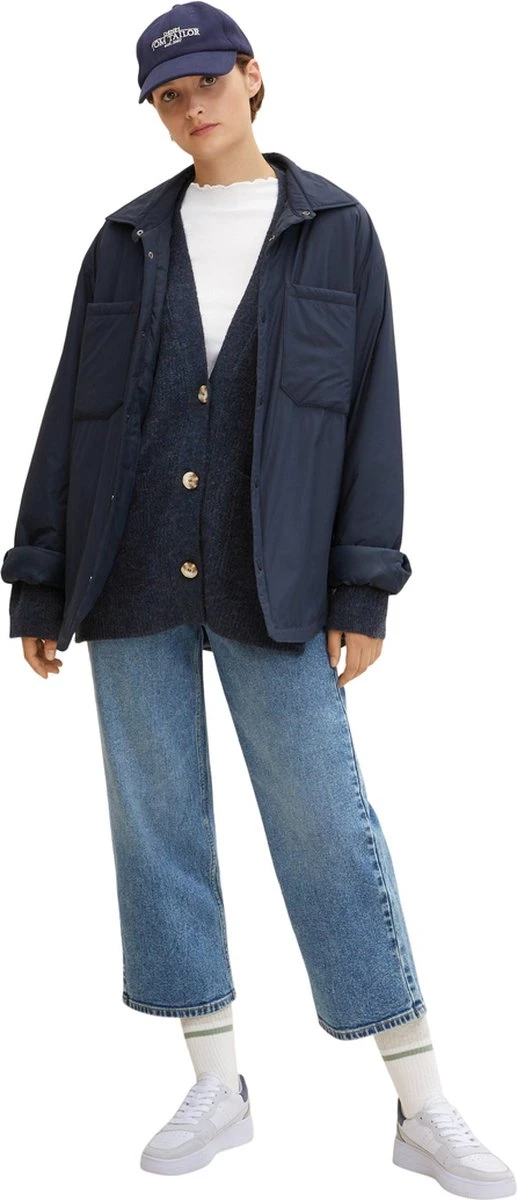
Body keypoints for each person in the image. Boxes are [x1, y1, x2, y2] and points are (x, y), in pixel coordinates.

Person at [2, 2, 514, 1193]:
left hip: (273, 575)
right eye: (167, 96)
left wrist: (362, 587)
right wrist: (38, 577)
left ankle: (421, 1105)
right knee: (159, 826)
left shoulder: (335, 230)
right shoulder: (123, 240)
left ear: (251, 76)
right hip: (126, 568)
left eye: (205, 83)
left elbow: (371, 418)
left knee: (327, 827)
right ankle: (214, 1083)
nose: (191, 109)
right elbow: (70, 412)